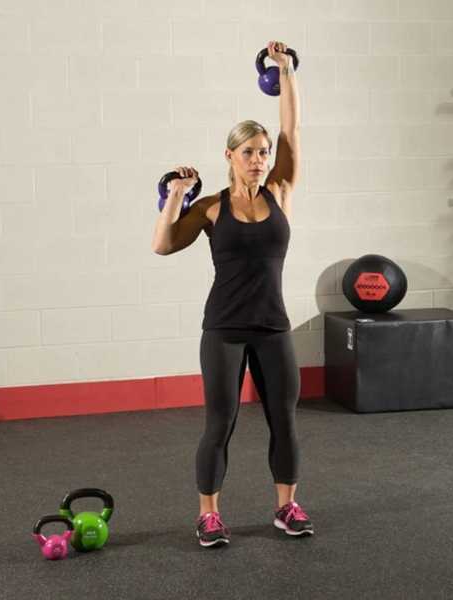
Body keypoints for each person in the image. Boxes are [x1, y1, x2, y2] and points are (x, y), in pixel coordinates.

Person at [152, 41, 313, 547]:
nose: (260, 160)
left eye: (264, 153)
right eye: (249, 153)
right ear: (230, 156)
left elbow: (291, 129)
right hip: (222, 329)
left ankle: (285, 507)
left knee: (284, 421)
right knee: (219, 424)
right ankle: (208, 515)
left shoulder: (281, 191)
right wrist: (177, 196)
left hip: (272, 327)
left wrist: (285, 71)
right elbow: (162, 244)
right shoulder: (213, 208)